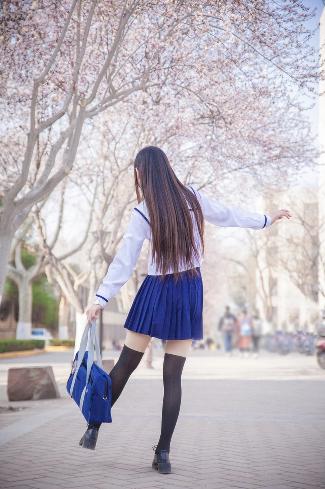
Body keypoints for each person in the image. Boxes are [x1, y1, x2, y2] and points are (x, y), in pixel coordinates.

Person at [83, 145, 291, 474]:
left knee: (124, 366)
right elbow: (229, 214)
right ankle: (163, 453)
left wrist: (100, 299)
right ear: (166, 167)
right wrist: (267, 219)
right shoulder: (192, 197)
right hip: (187, 291)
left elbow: (124, 261)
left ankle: (94, 425)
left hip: (155, 290)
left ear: (142, 173)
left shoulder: (143, 210)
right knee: (172, 378)